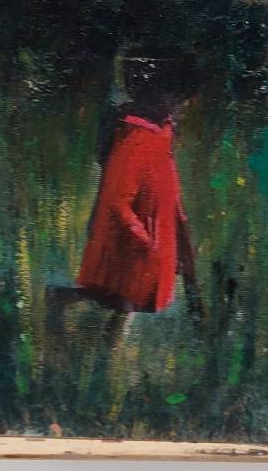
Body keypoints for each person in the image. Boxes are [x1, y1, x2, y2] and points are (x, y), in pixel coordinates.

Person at [47, 53, 202, 346]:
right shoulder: (133, 138)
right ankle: (63, 307)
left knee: (127, 302)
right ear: (157, 96)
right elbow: (118, 201)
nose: (184, 106)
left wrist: (177, 234)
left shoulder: (161, 134)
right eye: (178, 99)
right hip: (130, 240)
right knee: (120, 297)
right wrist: (148, 243)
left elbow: (168, 186)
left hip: (151, 235)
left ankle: (105, 355)